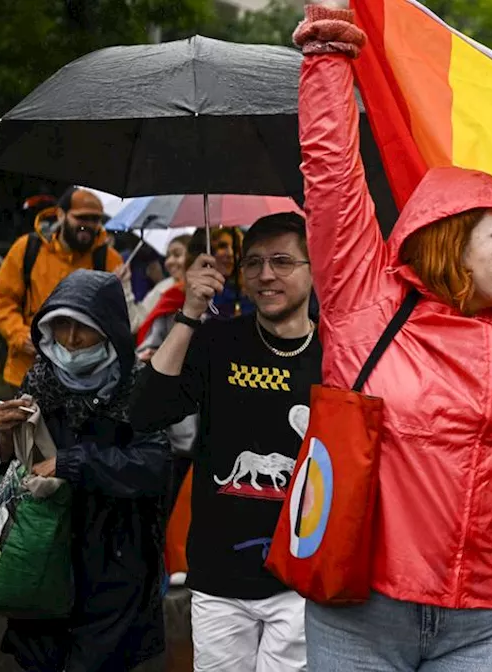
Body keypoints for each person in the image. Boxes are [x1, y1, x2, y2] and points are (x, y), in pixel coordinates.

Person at [292, 6, 492, 670]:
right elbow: (332, 176)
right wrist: (329, 47)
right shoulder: (365, 301)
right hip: (359, 611)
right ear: (452, 240)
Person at [130, 214, 317, 672]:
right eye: (252, 263)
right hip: (218, 578)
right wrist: (189, 312)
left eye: (282, 261)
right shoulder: (217, 341)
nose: (265, 275)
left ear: (316, 268)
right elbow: (146, 413)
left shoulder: (339, 351)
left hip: (301, 582)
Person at [0, 269, 171, 672]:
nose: (70, 340)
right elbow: (12, 467)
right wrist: (1, 438)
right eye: (61, 325)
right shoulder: (39, 380)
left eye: (83, 328)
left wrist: (74, 464)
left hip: (114, 563)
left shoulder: (136, 389)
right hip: (42, 558)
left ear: (109, 331)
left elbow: (154, 466)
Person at [0, 187, 123, 398]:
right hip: (24, 371)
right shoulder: (27, 248)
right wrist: (19, 334)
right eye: (81, 217)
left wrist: (125, 288)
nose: (88, 225)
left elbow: (117, 320)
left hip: (83, 381)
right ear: (60, 214)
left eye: (95, 219)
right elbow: (1, 299)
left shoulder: (110, 260)